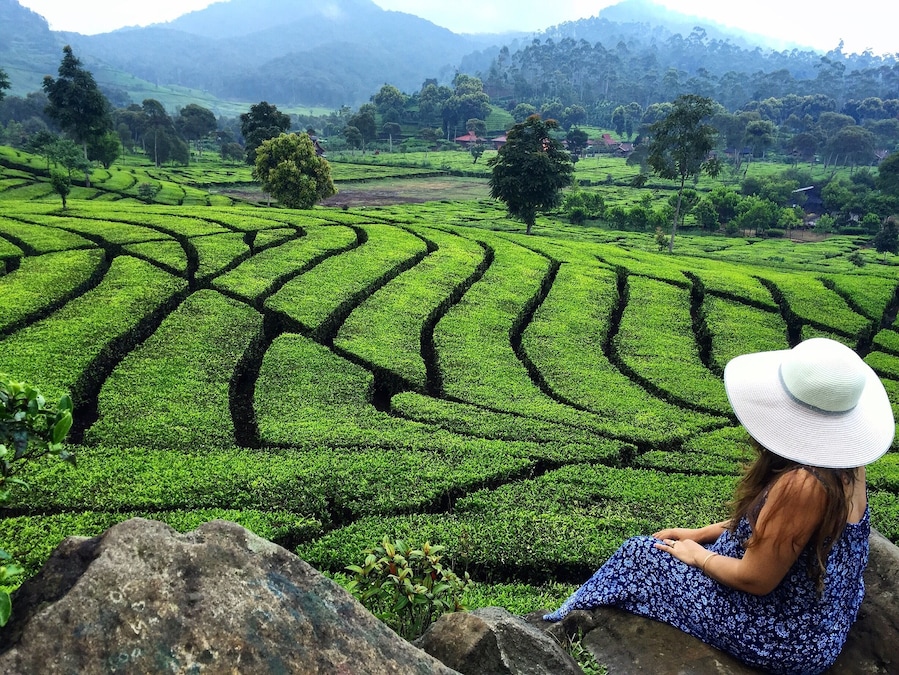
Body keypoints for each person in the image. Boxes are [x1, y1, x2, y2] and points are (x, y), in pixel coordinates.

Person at [543, 338, 895, 675]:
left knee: (638, 555)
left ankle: (555, 626)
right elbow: (770, 529)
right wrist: (702, 533)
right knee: (665, 549)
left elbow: (756, 579)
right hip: (821, 620)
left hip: (784, 635)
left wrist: (698, 554)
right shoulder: (846, 464)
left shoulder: (802, 484)